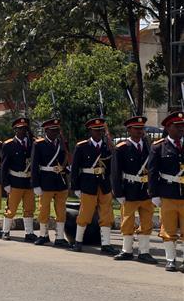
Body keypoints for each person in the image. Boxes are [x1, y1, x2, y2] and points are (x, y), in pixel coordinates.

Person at [112, 116, 156, 263]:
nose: (139, 131)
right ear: (129, 130)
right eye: (136, 129)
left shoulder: (149, 146)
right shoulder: (122, 148)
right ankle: (127, 250)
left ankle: (144, 251)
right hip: (129, 189)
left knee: (146, 221)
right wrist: (118, 192)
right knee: (127, 221)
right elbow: (116, 172)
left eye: (141, 128)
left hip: (146, 191)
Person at [70, 117, 115, 253]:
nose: (98, 133)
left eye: (100, 130)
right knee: (85, 213)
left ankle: (106, 244)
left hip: (104, 184)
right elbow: (75, 168)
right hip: (88, 184)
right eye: (96, 131)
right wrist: (76, 187)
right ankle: (78, 242)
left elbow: (111, 167)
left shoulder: (107, 146)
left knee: (106, 214)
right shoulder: (82, 146)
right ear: (90, 131)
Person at [148, 110, 184, 271]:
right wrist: (154, 194)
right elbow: (152, 172)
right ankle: (170, 259)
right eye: (178, 127)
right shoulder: (159, 147)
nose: (181, 129)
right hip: (168, 193)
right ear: (169, 127)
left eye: (183, 126)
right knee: (168, 229)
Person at [32, 118, 71, 247]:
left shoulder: (63, 143)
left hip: (60, 181)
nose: (55, 133)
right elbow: (34, 166)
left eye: (57, 131)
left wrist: (66, 168)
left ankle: (60, 237)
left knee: (61, 210)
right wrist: (36, 184)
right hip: (45, 181)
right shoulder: (39, 144)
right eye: (52, 131)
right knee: (44, 210)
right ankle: (43, 235)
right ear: (46, 131)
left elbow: (67, 160)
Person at [0, 117, 36, 241]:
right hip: (15, 180)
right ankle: (5, 231)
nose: (22, 131)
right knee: (11, 208)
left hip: (28, 181)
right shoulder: (9, 145)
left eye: (25, 129)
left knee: (29, 208)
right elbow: (4, 166)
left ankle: (29, 233)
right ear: (15, 130)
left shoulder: (32, 143)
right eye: (20, 129)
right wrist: (5, 183)